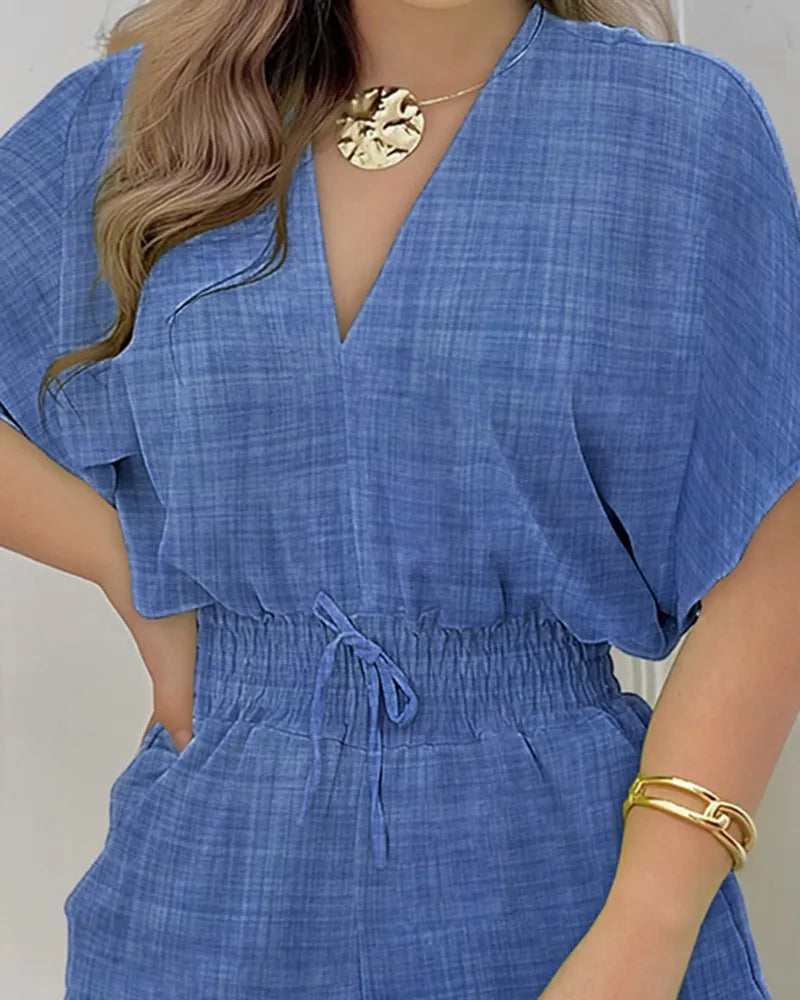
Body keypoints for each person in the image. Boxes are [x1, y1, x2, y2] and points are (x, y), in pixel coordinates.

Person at [1, 1, 798, 997]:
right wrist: (127, 571)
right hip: (210, 869)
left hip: (560, 872)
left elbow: (768, 557)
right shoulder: (143, 116)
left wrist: (645, 927)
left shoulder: (675, 128)